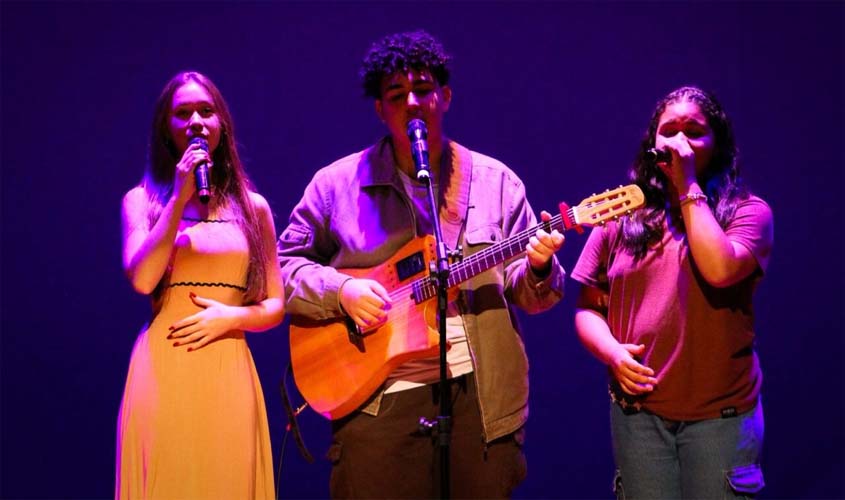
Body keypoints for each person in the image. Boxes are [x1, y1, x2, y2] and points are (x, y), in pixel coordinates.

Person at [277, 30, 565, 498]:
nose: (412, 102)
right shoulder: (336, 186)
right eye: (397, 94)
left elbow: (532, 295)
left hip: (480, 399)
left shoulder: (496, 183)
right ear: (380, 109)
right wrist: (342, 292)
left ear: (445, 97)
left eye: (424, 90)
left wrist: (537, 268)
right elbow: (283, 269)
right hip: (376, 404)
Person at [572, 86, 773, 498]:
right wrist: (612, 352)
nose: (679, 142)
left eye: (694, 131)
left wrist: (688, 187)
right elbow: (588, 308)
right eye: (669, 131)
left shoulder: (748, 212)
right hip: (640, 417)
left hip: (720, 417)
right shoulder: (620, 216)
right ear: (653, 143)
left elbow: (719, 270)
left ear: (716, 144)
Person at [116, 71, 284, 499]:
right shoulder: (143, 201)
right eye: (182, 113)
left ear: (221, 125)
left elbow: (275, 305)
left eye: (206, 111)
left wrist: (231, 318)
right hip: (164, 367)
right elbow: (143, 278)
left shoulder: (254, 207)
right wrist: (177, 197)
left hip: (227, 368)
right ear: (166, 128)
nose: (195, 121)